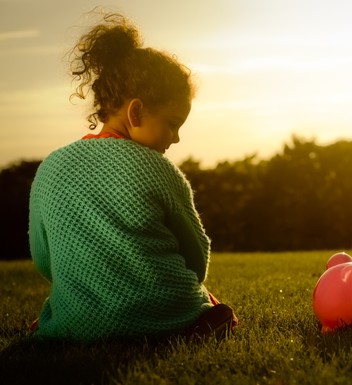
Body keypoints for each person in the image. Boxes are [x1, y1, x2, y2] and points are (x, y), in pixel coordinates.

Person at [28, 12, 237, 343]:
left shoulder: (51, 166)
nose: (176, 138)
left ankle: (63, 323)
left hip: (76, 327)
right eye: (172, 123)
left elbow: (43, 260)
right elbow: (196, 259)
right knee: (216, 311)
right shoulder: (158, 169)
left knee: (58, 317)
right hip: (168, 319)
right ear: (135, 112)